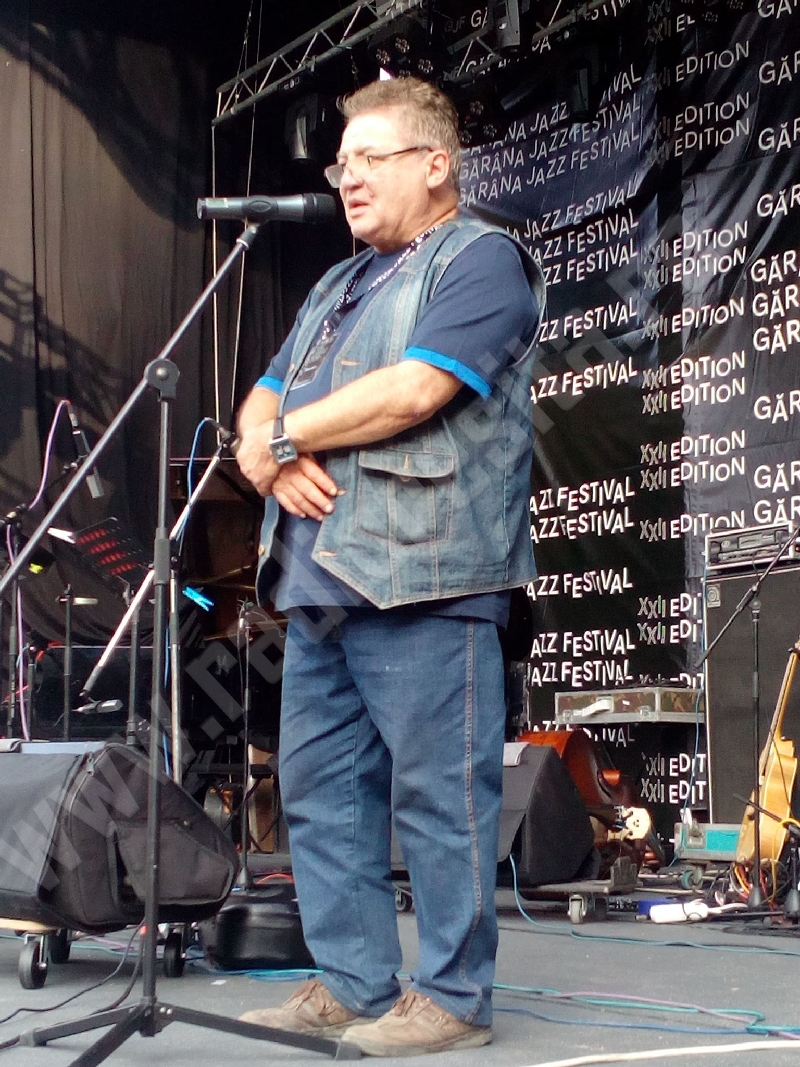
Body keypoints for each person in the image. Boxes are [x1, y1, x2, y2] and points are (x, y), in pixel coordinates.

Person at [234, 76, 543, 1057]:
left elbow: (413, 391)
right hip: (319, 582)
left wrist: (281, 440)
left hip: (427, 578)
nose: (348, 179)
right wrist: (266, 448)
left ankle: (452, 996)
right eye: (340, 164)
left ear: (435, 164)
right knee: (321, 795)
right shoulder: (336, 284)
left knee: (440, 799)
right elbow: (261, 399)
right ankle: (351, 980)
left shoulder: (480, 260)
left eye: (370, 158)